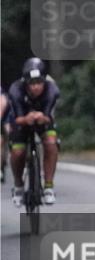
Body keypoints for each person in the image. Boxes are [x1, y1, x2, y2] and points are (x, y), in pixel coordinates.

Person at [8, 58, 60, 206]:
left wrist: (42, 117)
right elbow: (17, 118)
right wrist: (27, 118)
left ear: (45, 81)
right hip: (21, 120)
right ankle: (18, 186)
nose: (36, 87)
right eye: (32, 83)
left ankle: (48, 187)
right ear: (25, 83)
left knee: (51, 143)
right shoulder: (15, 90)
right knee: (18, 152)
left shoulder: (52, 90)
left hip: (43, 120)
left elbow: (49, 116)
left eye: (39, 82)